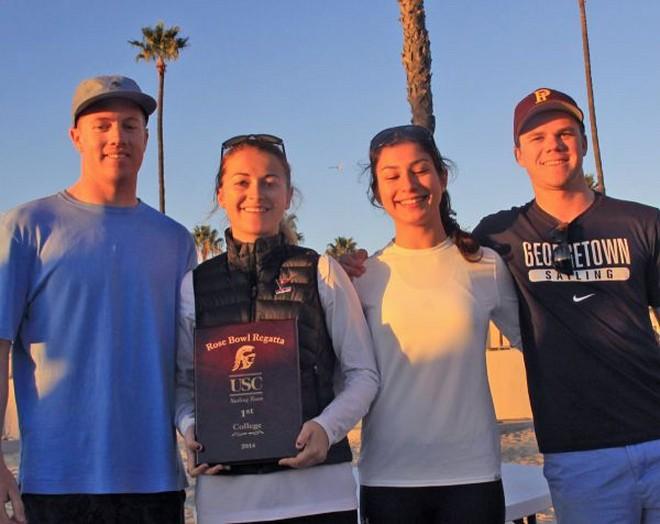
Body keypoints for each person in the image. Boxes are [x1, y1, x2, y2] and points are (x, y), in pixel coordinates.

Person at [0, 75, 196, 524]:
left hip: (157, 482)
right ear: (75, 137)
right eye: (102, 125)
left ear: (146, 139)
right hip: (55, 484)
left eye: (130, 126)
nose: (117, 138)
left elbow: (194, 356)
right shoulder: (26, 227)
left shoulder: (176, 240)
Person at [473, 88, 660, 523]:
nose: (553, 146)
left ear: (584, 143)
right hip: (580, 455)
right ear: (518, 153)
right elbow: (429, 261)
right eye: (536, 138)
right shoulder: (499, 235)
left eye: (564, 134)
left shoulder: (642, 222)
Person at [174, 133, 379, 523]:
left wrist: (326, 428)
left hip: (321, 497)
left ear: (288, 195)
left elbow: (363, 374)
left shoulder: (321, 271)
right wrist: (191, 427)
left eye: (270, 181)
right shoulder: (194, 286)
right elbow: (184, 385)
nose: (257, 192)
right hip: (227, 504)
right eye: (242, 181)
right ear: (221, 194)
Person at [349, 125, 521, 523]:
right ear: (377, 192)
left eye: (420, 169)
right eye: (391, 175)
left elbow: (536, 345)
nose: (408, 185)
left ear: (442, 177)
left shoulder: (485, 265)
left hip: (473, 477)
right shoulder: (361, 277)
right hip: (388, 479)